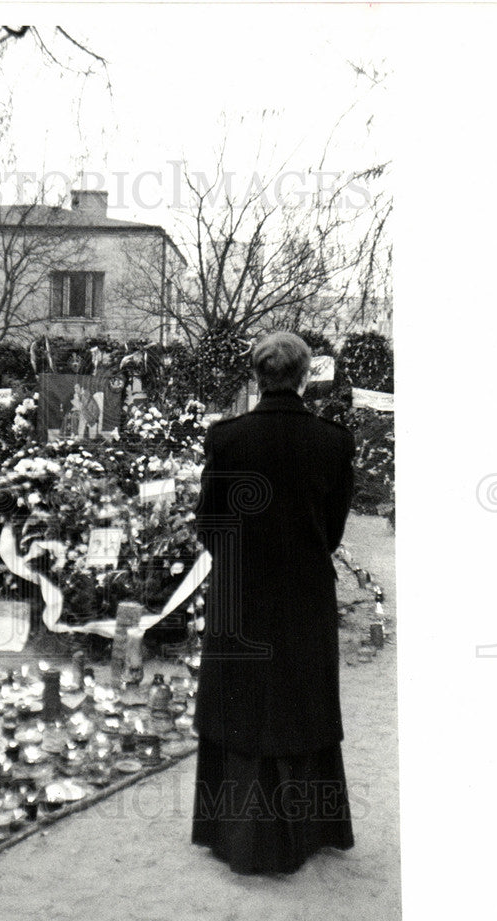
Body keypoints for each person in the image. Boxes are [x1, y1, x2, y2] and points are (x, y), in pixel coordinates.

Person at [192, 331, 355, 875]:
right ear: (304, 375)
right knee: (300, 706)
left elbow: (210, 525)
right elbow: (331, 531)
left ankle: (235, 837)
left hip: (242, 593)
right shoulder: (332, 440)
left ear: (257, 375)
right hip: (305, 594)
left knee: (240, 707)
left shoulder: (228, 437)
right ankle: (307, 831)